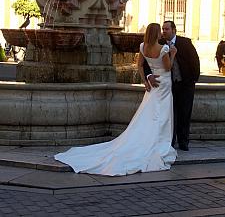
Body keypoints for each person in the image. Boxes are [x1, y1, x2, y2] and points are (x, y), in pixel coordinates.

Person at [55, 23, 177, 176]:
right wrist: (173, 54)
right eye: (160, 31)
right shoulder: (164, 49)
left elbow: (139, 65)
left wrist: (145, 81)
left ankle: (149, 138)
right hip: (164, 84)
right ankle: (159, 141)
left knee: (150, 111)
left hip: (152, 86)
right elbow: (168, 68)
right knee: (163, 114)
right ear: (157, 33)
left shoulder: (143, 47)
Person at [145, 21, 200, 151]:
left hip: (185, 85)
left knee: (185, 113)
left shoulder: (185, 42)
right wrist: (148, 76)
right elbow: (146, 63)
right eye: (163, 29)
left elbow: (195, 61)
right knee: (169, 114)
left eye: (167, 29)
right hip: (167, 85)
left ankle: (183, 141)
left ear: (174, 30)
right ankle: (170, 141)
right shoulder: (160, 44)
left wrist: (192, 80)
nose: (164, 31)